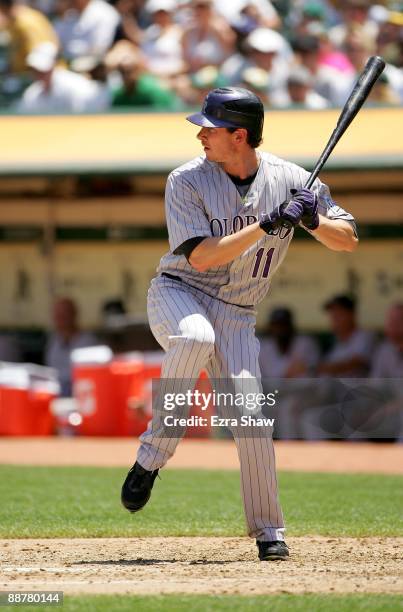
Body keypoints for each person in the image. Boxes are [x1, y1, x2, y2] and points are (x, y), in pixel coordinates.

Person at [120, 87, 357, 561]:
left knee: (251, 420)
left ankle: (269, 530)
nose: (201, 134)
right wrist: (269, 222)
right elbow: (204, 258)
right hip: (180, 291)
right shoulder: (185, 179)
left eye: (211, 127)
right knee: (193, 336)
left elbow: (347, 240)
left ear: (240, 135)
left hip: (238, 313)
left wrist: (312, 218)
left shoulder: (291, 179)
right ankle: (152, 455)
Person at [16, 41, 110, 112]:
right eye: (35, 70)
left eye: (42, 70)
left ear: (54, 65)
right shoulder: (32, 93)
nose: (39, 74)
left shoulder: (74, 86)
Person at [45, 297, 97, 396]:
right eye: (57, 315)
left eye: (64, 314)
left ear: (74, 314)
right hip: (56, 393)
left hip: (80, 394)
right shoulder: (53, 342)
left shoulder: (88, 342)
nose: (60, 318)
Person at [318, 294, 375, 377]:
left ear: (352, 315)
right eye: (332, 314)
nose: (334, 318)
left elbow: (355, 363)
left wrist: (317, 368)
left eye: (339, 313)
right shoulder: (336, 344)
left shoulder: (365, 336)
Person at [371, 303, 403, 378]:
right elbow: (376, 384)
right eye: (390, 319)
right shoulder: (383, 350)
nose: (393, 324)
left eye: (399, 319)